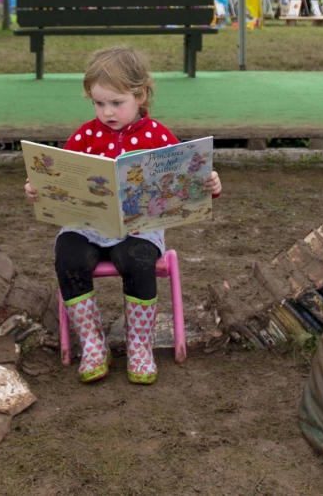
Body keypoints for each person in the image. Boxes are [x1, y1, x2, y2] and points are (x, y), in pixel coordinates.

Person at [25, 45, 222, 385]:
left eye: (117, 103)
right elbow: (61, 176)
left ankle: (140, 347)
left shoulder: (158, 136)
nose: (107, 112)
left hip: (138, 229)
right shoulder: (84, 135)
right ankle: (92, 345)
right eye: (99, 103)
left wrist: (211, 184)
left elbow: (188, 179)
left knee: (138, 260)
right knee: (68, 255)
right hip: (86, 227)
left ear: (141, 94)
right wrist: (37, 187)